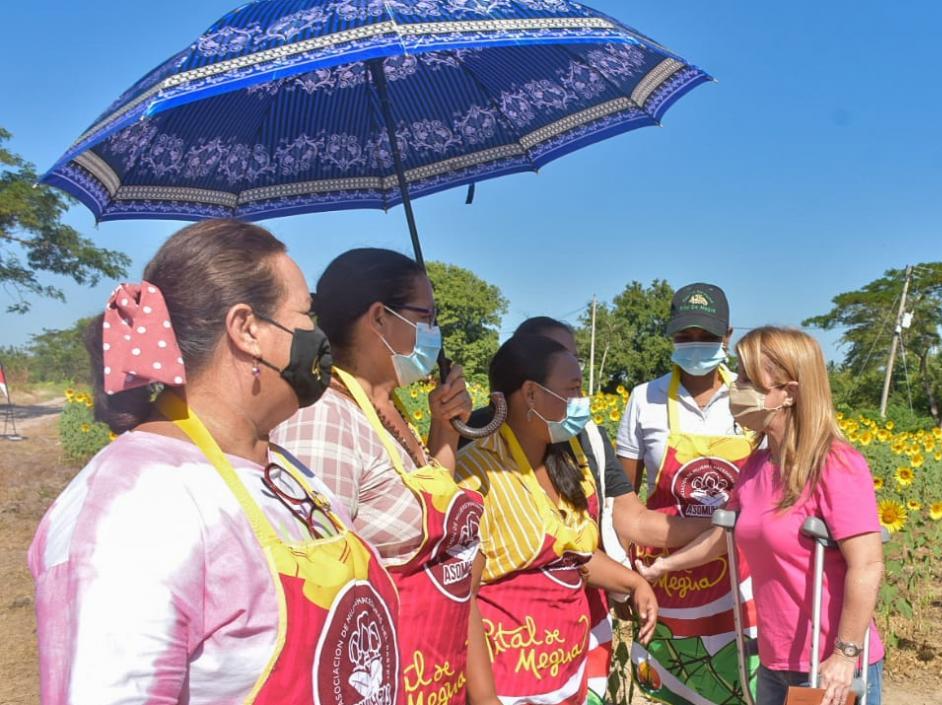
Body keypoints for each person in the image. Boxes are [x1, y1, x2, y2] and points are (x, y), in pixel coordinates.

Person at [28, 220, 401, 705]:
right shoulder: (136, 509)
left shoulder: (289, 473)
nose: (318, 334)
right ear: (247, 330)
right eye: (305, 314)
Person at [272, 248, 483, 705]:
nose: (434, 332)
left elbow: (427, 519)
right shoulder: (325, 418)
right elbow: (315, 587)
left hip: (432, 677)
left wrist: (444, 428)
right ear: (380, 319)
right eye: (426, 316)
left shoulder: (390, 410)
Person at [464, 316, 710, 703]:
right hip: (508, 676)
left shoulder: (578, 445)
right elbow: (461, 593)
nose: (583, 401)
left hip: (569, 661)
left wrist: (635, 582)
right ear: (529, 392)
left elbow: (574, 550)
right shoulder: (476, 466)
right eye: (573, 388)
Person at [638, 326, 886, 705]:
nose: (735, 387)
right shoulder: (757, 465)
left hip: (825, 664)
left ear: (788, 392)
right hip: (774, 659)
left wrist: (845, 653)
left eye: (747, 379)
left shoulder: (836, 464)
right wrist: (664, 567)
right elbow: (725, 537)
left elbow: (867, 564)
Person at [615, 282, 757, 705]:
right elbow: (624, 497)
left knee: (739, 685)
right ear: (672, 335)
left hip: (738, 578)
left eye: (707, 338)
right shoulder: (645, 399)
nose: (695, 346)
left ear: (727, 337)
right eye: (685, 337)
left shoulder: (749, 398)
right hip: (665, 580)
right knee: (668, 687)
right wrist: (624, 581)